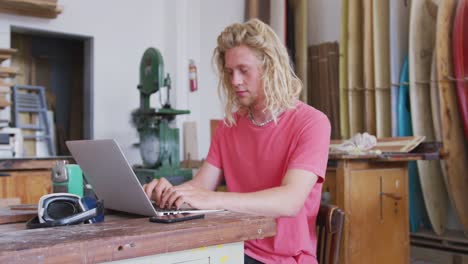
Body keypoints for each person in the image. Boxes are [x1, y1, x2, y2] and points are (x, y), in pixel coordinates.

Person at [144, 18, 331, 264]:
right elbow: (201, 188)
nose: (235, 81)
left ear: (270, 67)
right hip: (233, 247)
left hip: (283, 258)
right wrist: (171, 193)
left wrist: (214, 200)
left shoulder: (312, 123)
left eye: (244, 70)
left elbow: (290, 201)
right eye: (230, 72)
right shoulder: (228, 126)